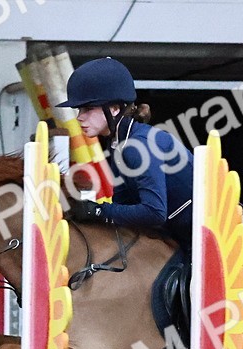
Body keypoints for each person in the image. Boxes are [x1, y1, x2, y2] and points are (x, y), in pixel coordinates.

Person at [57, 57, 196, 255]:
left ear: (114, 109)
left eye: (88, 108)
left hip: (220, 229)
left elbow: (154, 212)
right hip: (184, 234)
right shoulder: (118, 144)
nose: (79, 116)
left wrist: (97, 211)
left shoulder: (137, 145)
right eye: (79, 109)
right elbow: (122, 208)